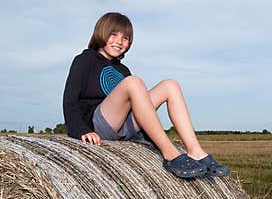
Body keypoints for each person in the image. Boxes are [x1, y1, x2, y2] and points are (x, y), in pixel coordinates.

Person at [62, 12, 230, 179]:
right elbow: (70, 100)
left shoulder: (123, 70)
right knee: (134, 83)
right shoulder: (85, 60)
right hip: (99, 123)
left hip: (124, 125)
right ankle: (170, 154)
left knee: (170, 85)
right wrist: (81, 130)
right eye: (113, 35)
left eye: (125, 38)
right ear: (101, 33)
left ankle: (196, 151)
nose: (119, 42)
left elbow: (139, 107)